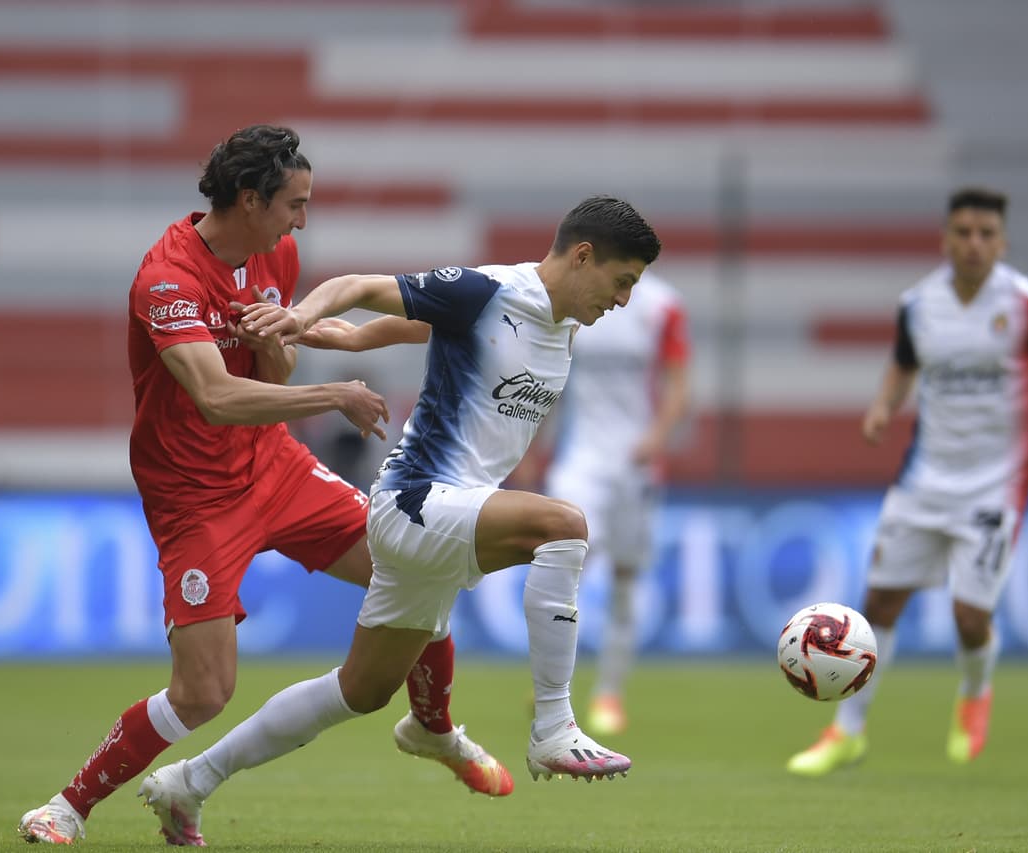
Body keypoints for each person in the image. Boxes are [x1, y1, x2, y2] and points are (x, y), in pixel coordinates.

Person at [18, 125, 511, 846]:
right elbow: (217, 397)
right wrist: (334, 394)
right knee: (203, 691)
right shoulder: (168, 280)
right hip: (194, 495)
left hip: (272, 465)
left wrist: (280, 353)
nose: (302, 221)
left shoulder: (274, 252)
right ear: (250, 200)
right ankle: (68, 805)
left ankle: (431, 727)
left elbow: (265, 377)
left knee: (416, 562)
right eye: (295, 204)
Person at [136, 195, 662, 845]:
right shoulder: (488, 289)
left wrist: (344, 335)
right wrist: (298, 315)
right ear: (583, 256)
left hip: (448, 516)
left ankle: (189, 780)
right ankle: (553, 728)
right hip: (415, 502)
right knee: (564, 526)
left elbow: (401, 328)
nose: (623, 299)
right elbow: (357, 286)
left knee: (359, 689)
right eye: (621, 281)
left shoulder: (561, 323)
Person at [786, 187, 1028, 776]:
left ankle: (974, 694)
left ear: (1002, 243)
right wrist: (884, 405)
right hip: (923, 482)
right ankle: (846, 732)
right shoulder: (919, 304)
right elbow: (905, 361)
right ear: (946, 238)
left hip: (994, 487)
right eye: (963, 232)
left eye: (986, 234)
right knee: (879, 602)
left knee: (969, 618)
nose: (974, 243)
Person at [541, 269, 691, 735]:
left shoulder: (662, 305)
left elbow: (678, 381)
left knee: (626, 580)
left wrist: (658, 437)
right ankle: (551, 680)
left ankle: (609, 692)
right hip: (580, 458)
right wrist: (536, 443)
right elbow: (551, 377)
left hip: (635, 463)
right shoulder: (577, 299)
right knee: (565, 561)